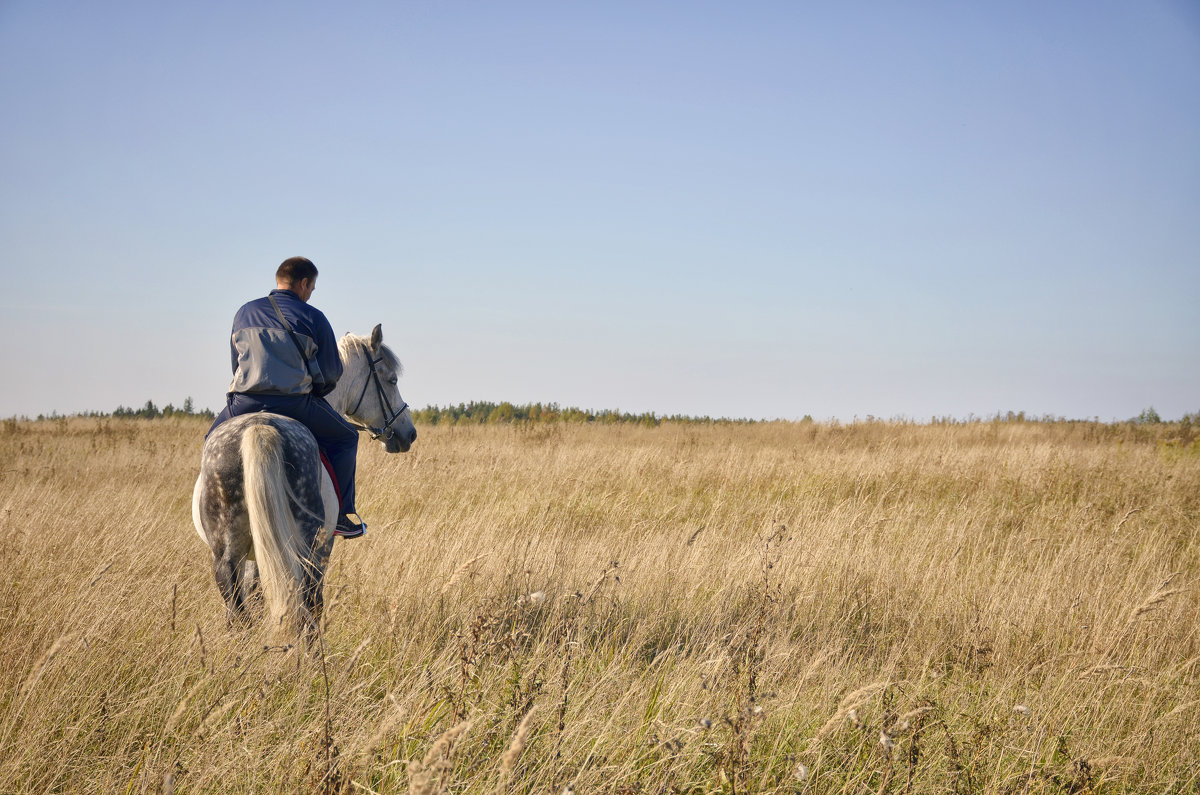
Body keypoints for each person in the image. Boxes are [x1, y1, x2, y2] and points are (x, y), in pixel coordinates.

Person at [207, 256, 367, 538]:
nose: (310, 294)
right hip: (295, 404)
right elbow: (331, 373)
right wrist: (315, 389)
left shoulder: (244, 312)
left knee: (211, 442)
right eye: (312, 288)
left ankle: (210, 514)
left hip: (243, 402)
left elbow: (236, 362)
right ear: (304, 283)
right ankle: (342, 516)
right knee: (347, 438)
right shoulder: (313, 317)